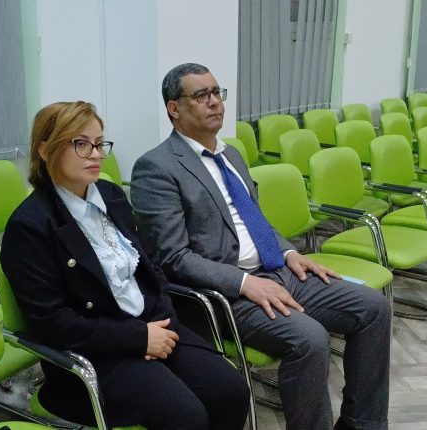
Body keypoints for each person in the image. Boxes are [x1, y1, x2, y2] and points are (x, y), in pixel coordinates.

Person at [131, 63, 391, 430]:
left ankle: (361, 424)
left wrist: (289, 253)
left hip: (277, 269)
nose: (214, 102)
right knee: (310, 339)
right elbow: (173, 258)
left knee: (374, 308)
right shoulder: (156, 167)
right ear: (174, 108)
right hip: (226, 294)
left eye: (216, 92)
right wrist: (245, 283)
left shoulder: (231, 155)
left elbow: (257, 221)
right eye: (201, 95)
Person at [0, 101, 249, 430]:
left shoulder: (110, 195)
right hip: (95, 353)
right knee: (185, 415)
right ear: (45, 150)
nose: (95, 154)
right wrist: (138, 338)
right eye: (81, 144)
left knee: (232, 391)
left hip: (154, 326)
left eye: (99, 143)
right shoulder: (30, 226)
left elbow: (150, 269)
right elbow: (54, 324)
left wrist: (160, 324)